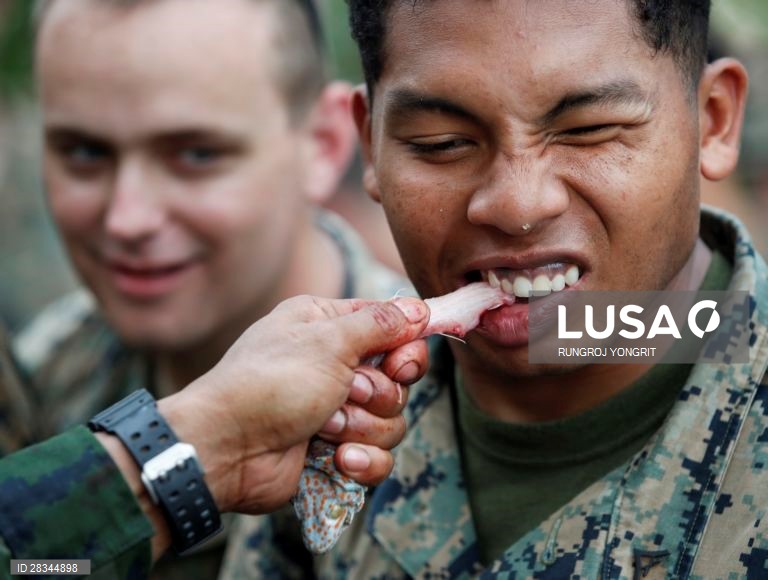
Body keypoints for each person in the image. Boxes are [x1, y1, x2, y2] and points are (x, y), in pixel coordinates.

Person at [220, 1, 768, 578]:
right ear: (370, 140)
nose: (516, 205)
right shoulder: (331, 429)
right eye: (441, 142)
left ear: (713, 119)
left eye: (587, 132)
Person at [16, 0, 419, 576]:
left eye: (196, 155)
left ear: (325, 143)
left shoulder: (458, 392)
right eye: (85, 152)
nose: (128, 218)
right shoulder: (43, 372)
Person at [0, 294, 430, 577]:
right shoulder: (55, 357)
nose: (128, 221)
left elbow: (33, 569)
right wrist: (207, 444)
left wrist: (215, 443)